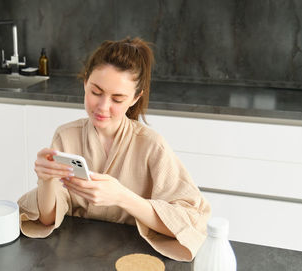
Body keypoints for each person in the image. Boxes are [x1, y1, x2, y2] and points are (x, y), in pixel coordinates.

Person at [17, 37, 211, 262]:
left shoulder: (151, 145)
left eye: (117, 99)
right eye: (96, 92)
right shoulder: (66, 136)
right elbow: (47, 220)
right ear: (85, 83)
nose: (103, 107)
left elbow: (190, 224)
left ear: (134, 98)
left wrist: (122, 197)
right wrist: (46, 180)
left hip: (135, 259)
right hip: (74, 257)